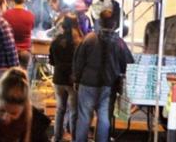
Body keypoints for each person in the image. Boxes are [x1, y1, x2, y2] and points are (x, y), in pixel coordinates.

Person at [72, 8, 134, 142]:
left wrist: (76, 79)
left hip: (87, 83)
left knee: (83, 117)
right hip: (108, 85)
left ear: (99, 22)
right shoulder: (119, 43)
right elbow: (129, 63)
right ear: (115, 24)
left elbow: (78, 61)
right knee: (104, 118)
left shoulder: (89, 38)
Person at [49, 13, 82, 142]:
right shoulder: (78, 42)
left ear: (62, 25)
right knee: (74, 112)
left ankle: (57, 137)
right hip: (72, 80)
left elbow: (51, 61)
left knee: (60, 109)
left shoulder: (55, 41)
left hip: (58, 79)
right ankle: (74, 138)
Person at [4, 0, 35, 69]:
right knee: (23, 76)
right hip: (25, 51)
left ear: (13, 0)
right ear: (24, 0)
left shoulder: (6, 14)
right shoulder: (30, 15)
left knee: (10, 76)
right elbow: (31, 29)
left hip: (10, 51)